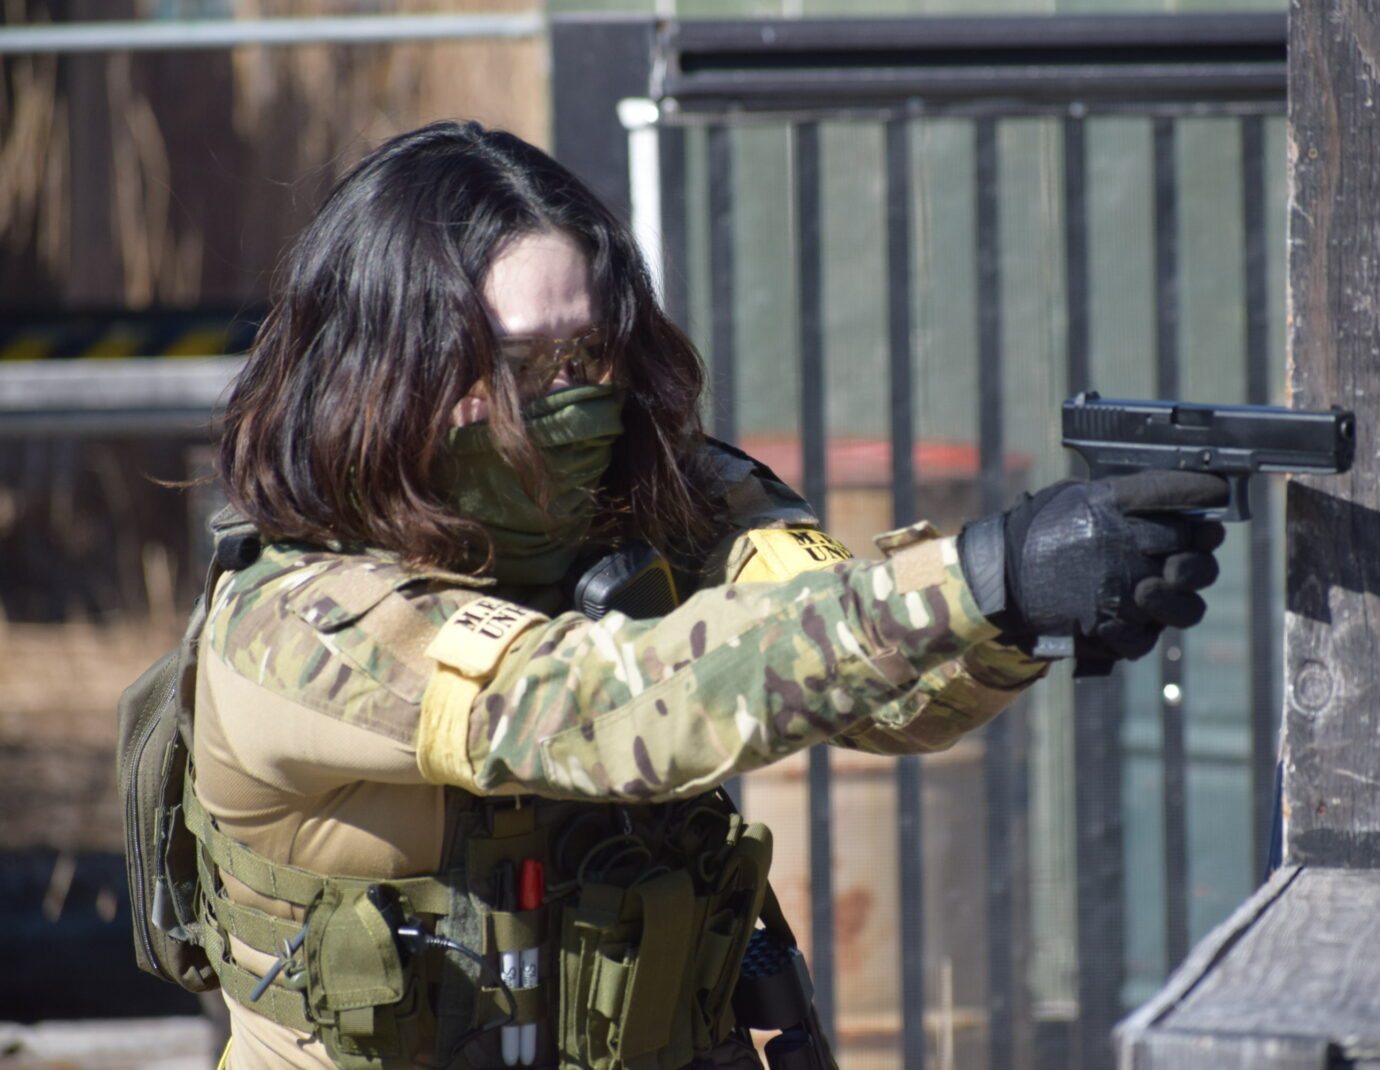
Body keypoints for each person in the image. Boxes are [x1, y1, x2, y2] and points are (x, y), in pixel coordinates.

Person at [190, 119, 1226, 1070]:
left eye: (589, 352)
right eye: (518, 364)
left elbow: (876, 686)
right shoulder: (298, 614)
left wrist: (1017, 614)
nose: (569, 397)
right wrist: (975, 576)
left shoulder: (666, 494)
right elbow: (595, 706)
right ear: (390, 372)